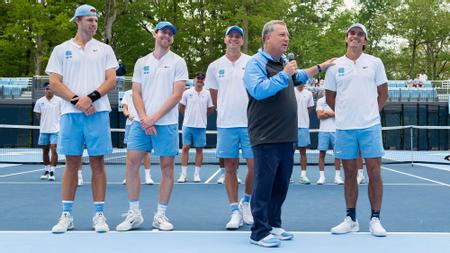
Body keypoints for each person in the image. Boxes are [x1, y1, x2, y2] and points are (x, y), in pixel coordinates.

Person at [243, 20, 335, 247]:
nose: (286, 39)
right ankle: (259, 232)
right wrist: (284, 74)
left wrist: (321, 67)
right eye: (282, 35)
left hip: (286, 135)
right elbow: (259, 90)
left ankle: (274, 224)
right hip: (265, 136)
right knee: (263, 185)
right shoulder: (255, 64)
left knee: (280, 185)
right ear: (267, 38)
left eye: (287, 35)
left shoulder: (283, 62)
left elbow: (300, 77)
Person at [46, 4, 118, 233]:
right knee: (71, 164)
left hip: (98, 113)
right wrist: (79, 100)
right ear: (77, 21)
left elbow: (111, 80)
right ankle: (66, 214)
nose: (94, 24)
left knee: (98, 163)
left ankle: (99, 215)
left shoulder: (105, 49)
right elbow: (55, 83)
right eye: (89, 20)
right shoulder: (60, 49)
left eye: (96, 20)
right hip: (71, 114)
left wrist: (92, 98)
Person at [116, 21, 188, 232]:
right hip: (141, 123)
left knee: (167, 168)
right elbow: (136, 93)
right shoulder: (141, 62)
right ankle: (134, 213)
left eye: (170, 34)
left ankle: (160, 215)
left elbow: (177, 94)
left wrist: (153, 118)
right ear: (155, 34)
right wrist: (145, 118)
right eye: (163, 32)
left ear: (172, 39)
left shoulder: (178, 62)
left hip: (166, 124)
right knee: (131, 164)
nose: (166, 35)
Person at [325, 23, 388, 237]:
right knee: (349, 173)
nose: (356, 36)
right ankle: (351, 219)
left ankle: (375, 219)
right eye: (352, 33)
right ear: (346, 38)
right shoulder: (334, 65)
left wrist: (371, 114)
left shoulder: (375, 62)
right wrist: (344, 114)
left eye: (361, 35)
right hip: (345, 128)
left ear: (365, 41)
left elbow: (383, 93)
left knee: (374, 172)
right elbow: (329, 97)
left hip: (370, 126)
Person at [205, 25, 254, 230]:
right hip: (226, 125)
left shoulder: (251, 62)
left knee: (255, 167)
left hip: (251, 124)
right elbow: (215, 97)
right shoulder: (215, 66)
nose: (234, 39)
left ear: (242, 41)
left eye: (238, 37)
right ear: (225, 40)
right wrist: (225, 110)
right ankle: (234, 210)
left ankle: (247, 204)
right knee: (230, 168)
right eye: (230, 36)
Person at [177, 72, 214, 183]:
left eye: (202, 78)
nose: (200, 80)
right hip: (187, 125)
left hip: (201, 126)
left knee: (199, 149)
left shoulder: (207, 94)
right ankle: (183, 175)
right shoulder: (187, 93)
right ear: (194, 79)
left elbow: (210, 109)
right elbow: (181, 107)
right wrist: (189, 116)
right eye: (198, 78)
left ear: (204, 81)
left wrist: (202, 117)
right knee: (185, 148)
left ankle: (196, 175)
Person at [121, 88, 154, 185]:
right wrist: (128, 115)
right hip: (130, 124)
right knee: (130, 152)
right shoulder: (128, 93)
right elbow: (124, 107)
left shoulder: (147, 91)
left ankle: (148, 177)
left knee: (146, 152)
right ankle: (128, 177)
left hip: (144, 123)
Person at [34, 82, 62, 182]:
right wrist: (45, 122)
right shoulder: (39, 101)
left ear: (53, 90)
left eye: (50, 89)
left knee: (54, 150)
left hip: (56, 130)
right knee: (45, 151)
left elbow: (62, 114)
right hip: (44, 130)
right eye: (47, 89)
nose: (49, 90)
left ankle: (52, 172)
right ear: (44, 90)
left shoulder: (59, 101)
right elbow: (38, 114)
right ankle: (46, 170)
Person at [315, 93, 344, 185]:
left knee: (338, 155)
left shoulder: (339, 101)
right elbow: (319, 116)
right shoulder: (320, 101)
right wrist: (333, 113)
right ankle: (321, 177)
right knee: (321, 154)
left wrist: (326, 112)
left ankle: (337, 177)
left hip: (336, 131)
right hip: (323, 131)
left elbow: (341, 115)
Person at [294, 84, 314, 184]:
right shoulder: (291, 92)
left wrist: (303, 117)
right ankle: (288, 176)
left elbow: (309, 109)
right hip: (291, 127)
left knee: (303, 152)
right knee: (289, 153)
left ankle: (303, 175)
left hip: (304, 126)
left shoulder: (309, 94)